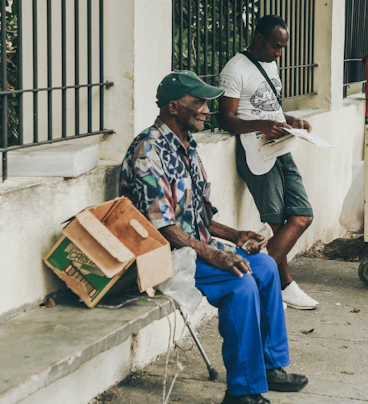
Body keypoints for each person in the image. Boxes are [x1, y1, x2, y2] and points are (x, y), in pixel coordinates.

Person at [120, 71, 308, 404]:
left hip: (190, 248)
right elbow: (162, 228)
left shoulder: (186, 146)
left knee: (264, 265)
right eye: (199, 102)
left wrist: (235, 235)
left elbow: (199, 215)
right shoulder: (148, 152)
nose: (207, 109)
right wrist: (216, 255)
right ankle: (243, 391)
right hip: (161, 256)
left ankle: (269, 366)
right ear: (174, 106)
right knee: (241, 283)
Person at [218, 15, 318, 310]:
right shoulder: (235, 69)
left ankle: (265, 282)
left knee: (302, 216)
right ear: (258, 38)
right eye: (276, 46)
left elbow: (270, 106)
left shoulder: (271, 63)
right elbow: (227, 118)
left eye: (282, 47)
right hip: (255, 152)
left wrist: (290, 119)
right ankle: (281, 285)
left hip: (280, 147)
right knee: (277, 222)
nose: (279, 53)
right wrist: (260, 125)